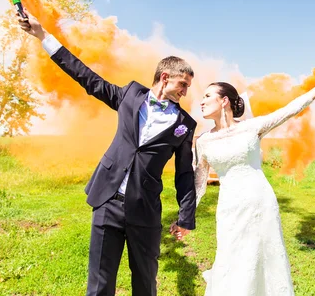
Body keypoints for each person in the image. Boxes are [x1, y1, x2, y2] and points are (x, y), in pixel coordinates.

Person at [18, 15, 197, 296]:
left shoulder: (186, 124)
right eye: (183, 84)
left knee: (145, 283)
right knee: (99, 285)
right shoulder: (130, 95)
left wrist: (186, 216)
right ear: (165, 77)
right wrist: (43, 37)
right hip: (107, 201)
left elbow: (185, 174)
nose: (186, 92)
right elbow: (87, 77)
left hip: (145, 209)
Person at [193, 67, 315, 295]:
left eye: (207, 96)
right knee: (230, 260)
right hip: (230, 207)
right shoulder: (203, 141)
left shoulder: (252, 127)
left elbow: (289, 110)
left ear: (224, 101)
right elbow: (198, 182)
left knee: (264, 260)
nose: (201, 102)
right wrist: (185, 216)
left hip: (260, 203)